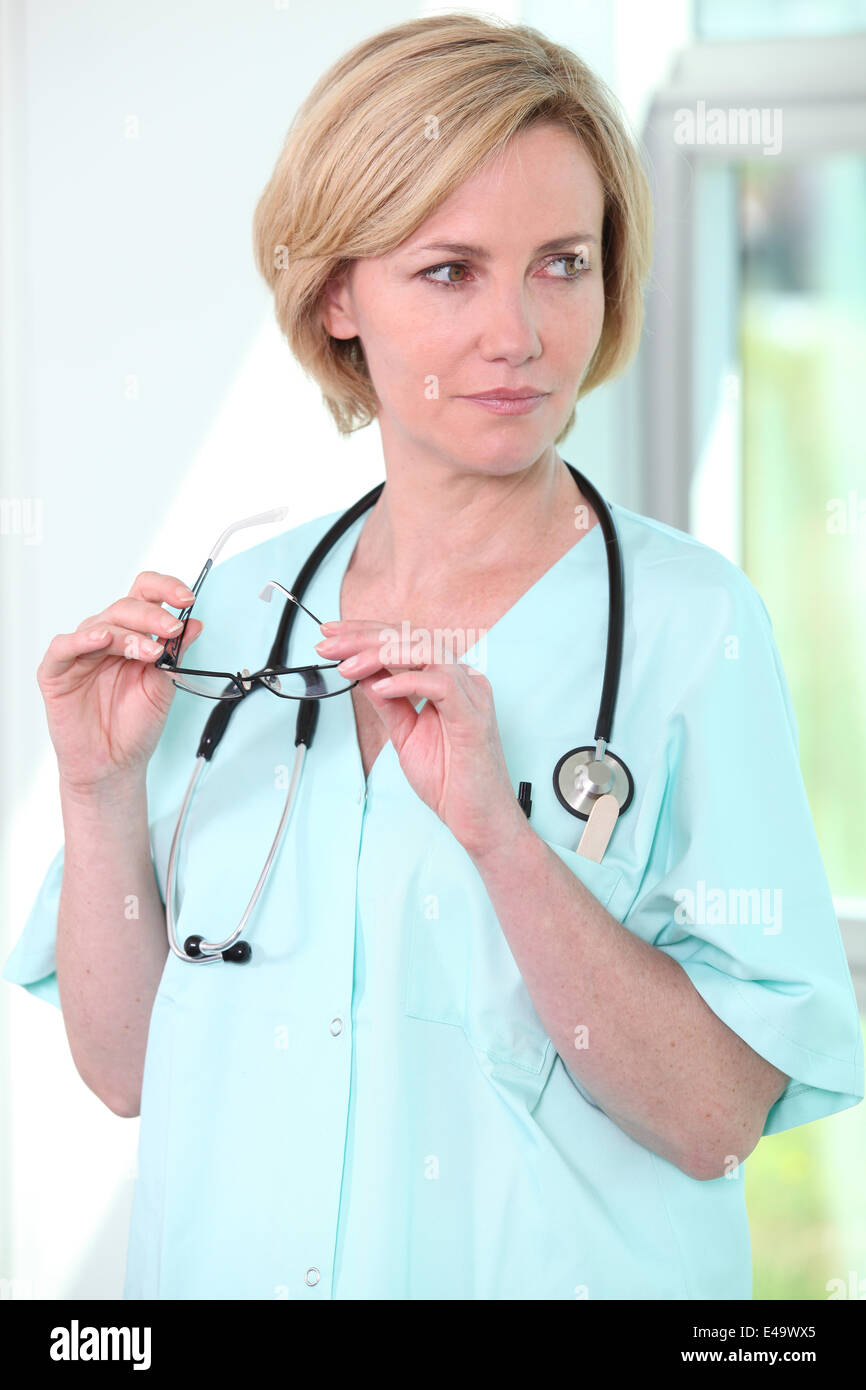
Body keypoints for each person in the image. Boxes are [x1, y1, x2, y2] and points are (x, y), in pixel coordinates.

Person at [4, 12, 862, 1301]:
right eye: (451, 270)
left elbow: (716, 1121)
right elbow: (129, 1072)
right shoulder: (229, 618)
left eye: (562, 262)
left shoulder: (695, 628)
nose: (519, 332)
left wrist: (504, 844)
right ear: (339, 292)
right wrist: (95, 791)